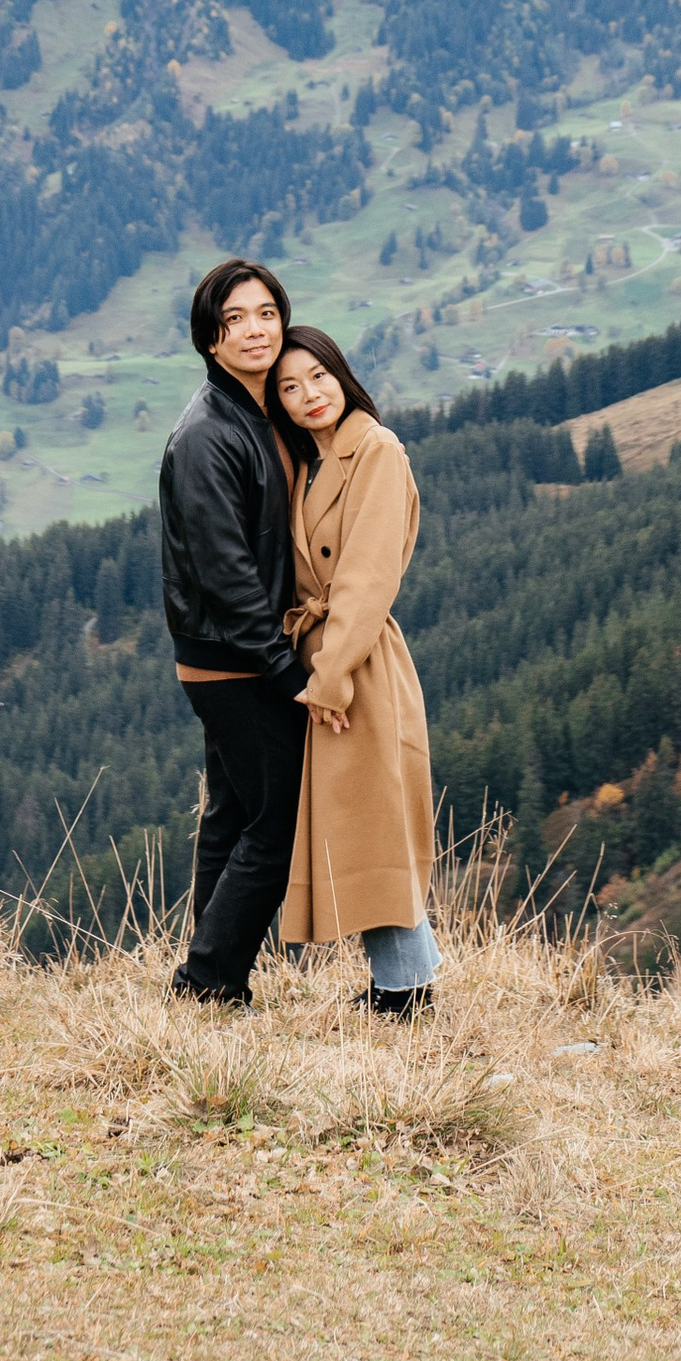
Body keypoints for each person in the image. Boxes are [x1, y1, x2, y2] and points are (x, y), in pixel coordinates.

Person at [156, 254, 320, 1007]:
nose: (255, 331)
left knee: (231, 812)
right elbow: (227, 576)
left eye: (265, 314)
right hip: (235, 660)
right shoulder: (205, 436)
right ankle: (210, 979)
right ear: (209, 339)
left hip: (237, 653)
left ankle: (207, 972)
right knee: (277, 819)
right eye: (234, 321)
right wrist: (288, 672)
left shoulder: (259, 414)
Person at [269, 324, 443, 1016]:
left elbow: (368, 578)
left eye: (317, 376)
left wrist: (331, 677)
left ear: (341, 373)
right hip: (328, 658)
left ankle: (403, 992)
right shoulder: (308, 461)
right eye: (288, 387)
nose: (307, 395)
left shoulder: (375, 448)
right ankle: (408, 978)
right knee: (363, 825)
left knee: (372, 825)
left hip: (359, 663)